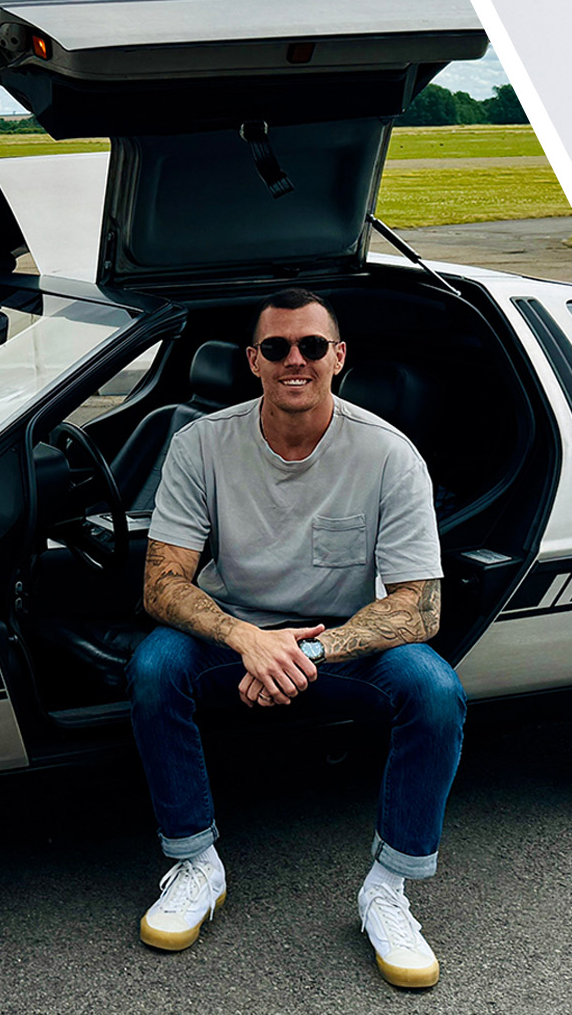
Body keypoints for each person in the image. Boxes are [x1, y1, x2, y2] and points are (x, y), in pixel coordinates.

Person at [124, 287, 464, 989]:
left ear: (338, 356)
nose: (295, 360)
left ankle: (387, 890)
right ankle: (196, 862)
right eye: (276, 347)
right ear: (253, 361)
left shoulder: (389, 454)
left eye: (312, 346)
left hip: (339, 643)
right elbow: (160, 583)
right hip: (233, 639)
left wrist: (308, 650)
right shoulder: (199, 445)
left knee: (436, 689)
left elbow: (421, 606)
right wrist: (248, 638)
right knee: (155, 665)